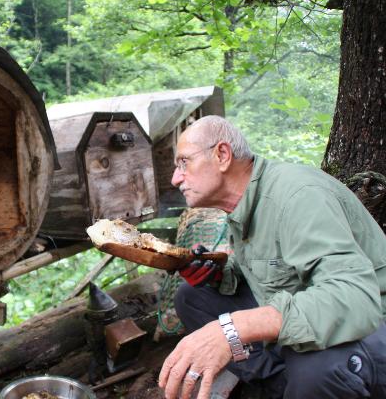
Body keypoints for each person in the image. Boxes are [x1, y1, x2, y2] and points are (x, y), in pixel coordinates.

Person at [158, 115, 386, 399]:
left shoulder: (298, 196)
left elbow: (354, 297)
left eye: (184, 162)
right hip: (306, 310)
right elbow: (272, 269)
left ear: (222, 155)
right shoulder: (245, 203)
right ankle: (279, 385)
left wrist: (233, 329)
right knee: (192, 298)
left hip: (371, 324)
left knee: (316, 372)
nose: (175, 178)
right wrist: (220, 274)